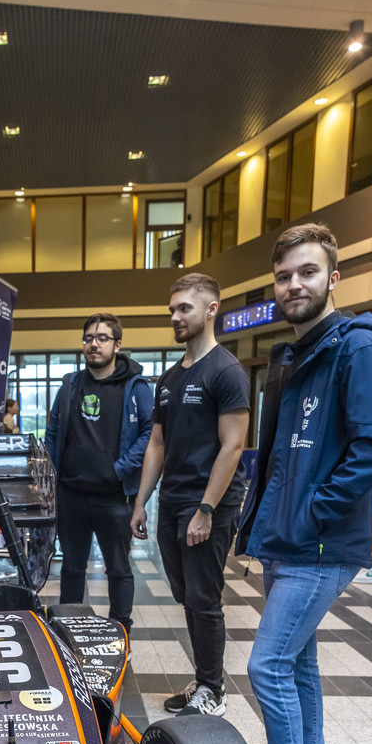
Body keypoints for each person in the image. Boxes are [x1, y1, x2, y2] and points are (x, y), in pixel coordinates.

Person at [235, 224, 372, 744]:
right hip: (288, 539)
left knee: (266, 665)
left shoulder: (358, 347)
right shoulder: (293, 355)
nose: (294, 284)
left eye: (308, 272)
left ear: (333, 278)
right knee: (297, 663)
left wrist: (316, 512)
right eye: (285, 276)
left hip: (317, 544)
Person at [131, 274, 249, 715]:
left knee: (203, 597)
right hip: (174, 501)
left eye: (185, 308)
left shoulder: (226, 371)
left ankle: (213, 690)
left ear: (211, 309)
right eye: (173, 310)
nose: (176, 317)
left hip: (208, 504)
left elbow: (232, 446)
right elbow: (157, 444)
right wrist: (141, 501)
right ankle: (203, 678)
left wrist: (206, 509)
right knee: (186, 594)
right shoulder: (169, 378)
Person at [45, 312, 153, 633]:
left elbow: (151, 433)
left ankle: (121, 631)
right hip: (71, 494)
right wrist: (51, 474)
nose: (94, 344)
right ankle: (68, 629)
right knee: (72, 568)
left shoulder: (135, 387)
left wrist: (120, 469)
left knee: (118, 569)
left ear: (117, 345)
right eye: (88, 338)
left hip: (114, 497)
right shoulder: (70, 385)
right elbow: (53, 432)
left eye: (102, 338)